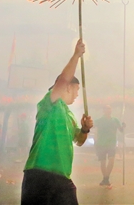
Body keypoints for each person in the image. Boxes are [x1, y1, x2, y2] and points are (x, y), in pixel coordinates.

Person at [21, 39, 93, 205]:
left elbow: (79, 141)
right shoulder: (49, 103)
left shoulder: (69, 115)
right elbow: (63, 79)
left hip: (62, 176)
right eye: (76, 90)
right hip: (39, 173)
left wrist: (84, 129)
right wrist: (76, 55)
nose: (76, 95)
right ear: (67, 87)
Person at [94, 105, 125, 186]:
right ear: (103, 110)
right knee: (103, 162)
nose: (109, 110)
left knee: (111, 160)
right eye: (107, 108)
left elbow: (121, 130)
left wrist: (123, 127)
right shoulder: (99, 120)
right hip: (101, 143)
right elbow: (92, 126)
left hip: (112, 143)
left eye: (110, 108)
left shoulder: (115, 120)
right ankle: (105, 178)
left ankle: (106, 178)